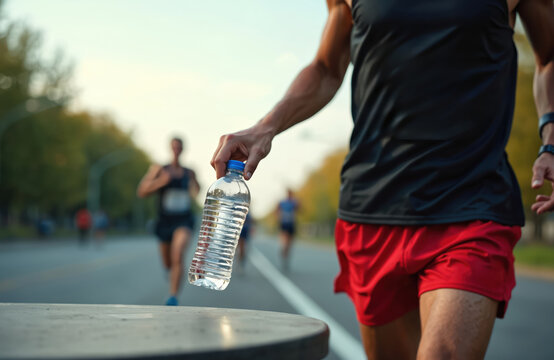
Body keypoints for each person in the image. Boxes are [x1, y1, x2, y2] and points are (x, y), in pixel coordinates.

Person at [210, 1, 554, 358]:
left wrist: (550, 137)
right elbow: (327, 69)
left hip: (472, 200)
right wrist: (266, 127)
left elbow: (549, 57)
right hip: (373, 207)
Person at [137, 137, 200, 306]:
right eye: (174, 147)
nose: (176, 150)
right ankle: (169, 270)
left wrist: (195, 182)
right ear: (170, 148)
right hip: (164, 221)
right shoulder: (159, 169)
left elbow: (196, 192)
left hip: (184, 220)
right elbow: (142, 191)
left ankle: (173, 296)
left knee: (178, 254)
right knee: (168, 262)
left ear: (182, 149)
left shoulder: (189, 172)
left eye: (179, 147)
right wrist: (160, 181)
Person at [276, 189, 299, 271]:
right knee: (285, 240)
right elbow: (277, 210)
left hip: (291, 224)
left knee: (290, 243)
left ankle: (285, 253)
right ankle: (283, 249)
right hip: (284, 223)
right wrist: (279, 217)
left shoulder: (294, 202)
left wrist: (298, 203)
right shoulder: (282, 203)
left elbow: (299, 209)